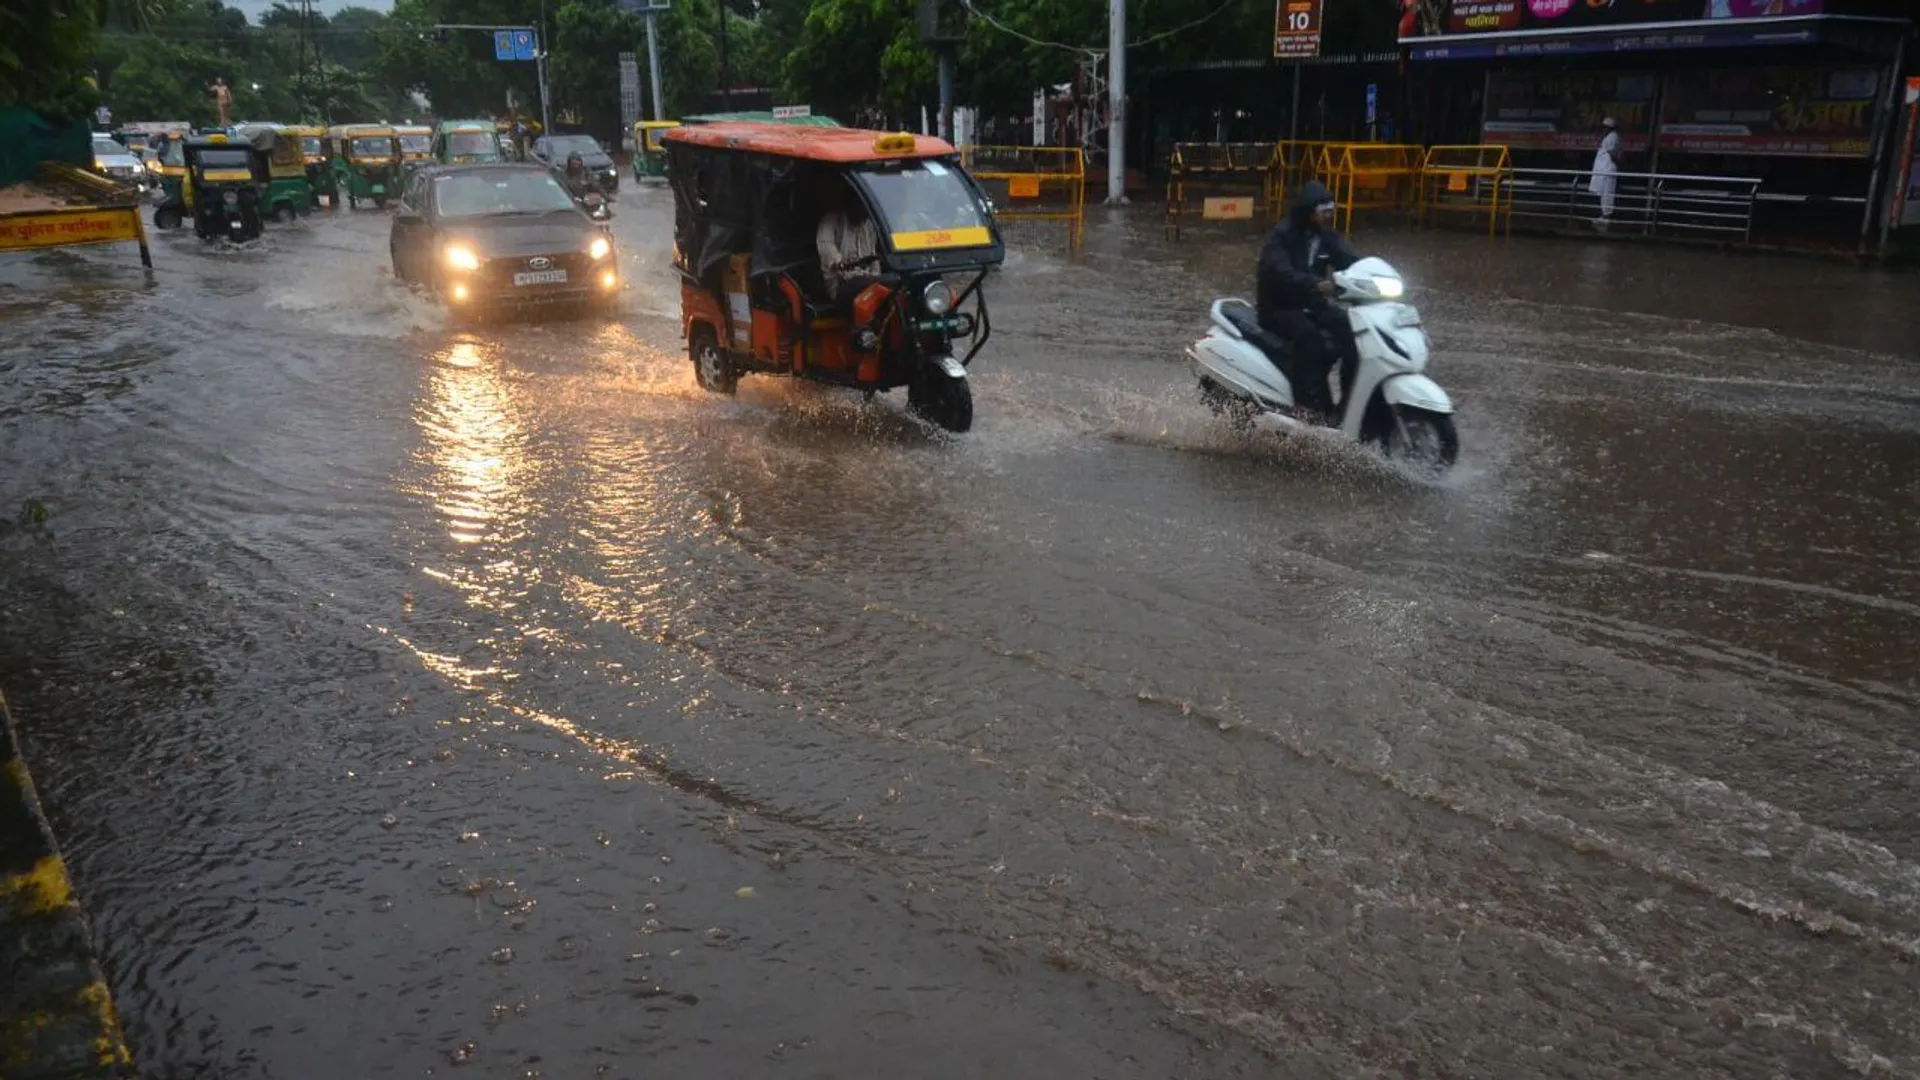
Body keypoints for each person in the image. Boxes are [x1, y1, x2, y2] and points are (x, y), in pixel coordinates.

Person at [1256, 179, 1358, 421]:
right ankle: (1305, 405)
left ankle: (1351, 403)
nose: (1328, 217)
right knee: (1310, 338)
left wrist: (1370, 275)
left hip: (1312, 304)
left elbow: (1349, 260)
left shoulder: (1326, 237)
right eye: (1324, 212)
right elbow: (1280, 271)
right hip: (1279, 307)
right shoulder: (1283, 236)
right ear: (1309, 211)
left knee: (1353, 330)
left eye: (1331, 212)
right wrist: (1314, 283)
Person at [816, 187, 882, 315]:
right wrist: (865, 278)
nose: (863, 210)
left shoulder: (868, 226)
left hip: (868, 283)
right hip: (841, 285)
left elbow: (874, 259)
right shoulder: (830, 222)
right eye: (860, 204)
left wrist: (877, 279)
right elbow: (832, 257)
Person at [1589, 116, 1621, 223]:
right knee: (1604, 194)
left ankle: (1606, 217)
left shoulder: (1612, 137)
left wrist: (1616, 163)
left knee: (1607, 194)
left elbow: (1613, 154)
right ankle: (1604, 215)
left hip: (1607, 170)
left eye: (1604, 127)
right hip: (1604, 170)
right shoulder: (1608, 137)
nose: (1602, 129)